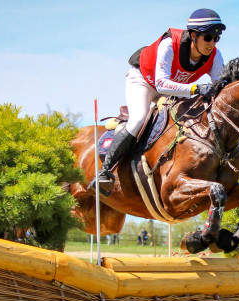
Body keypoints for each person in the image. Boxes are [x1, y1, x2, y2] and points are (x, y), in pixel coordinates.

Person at [89, 8, 227, 196]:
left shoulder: (215, 55)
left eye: (216, 38)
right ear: (193, 35)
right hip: (144, 81)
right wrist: (195, 89)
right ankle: (105, 172)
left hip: (174, 90)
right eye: (208, 37)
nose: (212, 43)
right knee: (139, 118)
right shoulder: (170, 43)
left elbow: (221, 87)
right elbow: (161, 84)